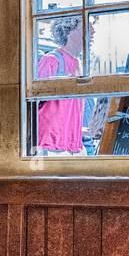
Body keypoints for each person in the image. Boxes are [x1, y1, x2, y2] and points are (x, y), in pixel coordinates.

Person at [34, 15, 88, 156]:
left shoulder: (79, 64)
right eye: (85, 27)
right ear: (69, 31)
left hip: (74, 147)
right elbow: (34, 101)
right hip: (52, 147)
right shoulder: (51, 60)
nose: (92, 31)